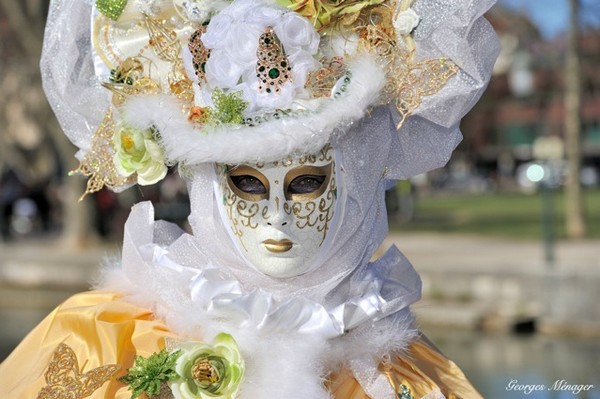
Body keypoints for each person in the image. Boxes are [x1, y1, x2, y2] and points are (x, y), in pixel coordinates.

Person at [0, 0, 499, 398]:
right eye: (246, 183)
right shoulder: (101, 342)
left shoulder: (397, 375)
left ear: (357, 176)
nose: (277, 214)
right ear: (208, 187)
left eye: (308, 182)